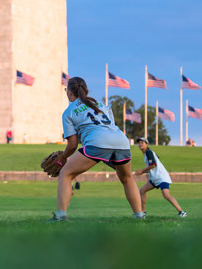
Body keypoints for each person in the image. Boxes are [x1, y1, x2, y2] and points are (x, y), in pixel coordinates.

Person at [48, 77, 144, 222]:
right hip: (121, 141)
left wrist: (62, 157)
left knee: (66, 174)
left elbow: (73, 144)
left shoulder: (69, 112)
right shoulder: (102, 105)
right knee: (127, 178)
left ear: (69, 93)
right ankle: (140, 216)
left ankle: (61, 216)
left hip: (98, 142)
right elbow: (106, 127)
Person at [133, 138, 187, 217]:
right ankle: (142, 213)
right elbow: (152, 167)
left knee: (166, 195)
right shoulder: (146, 154)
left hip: (161, 177)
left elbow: (153, 165)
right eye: (139, 143)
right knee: (142, 190)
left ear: (147, 144)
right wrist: (141, 172)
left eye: (142, 142)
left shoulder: (148, 152)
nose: (140, 144)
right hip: (155, 178)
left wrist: (141, 170)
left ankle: (181, 212)